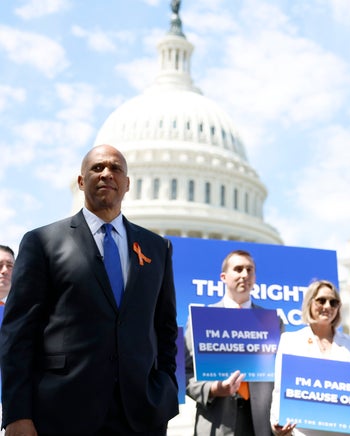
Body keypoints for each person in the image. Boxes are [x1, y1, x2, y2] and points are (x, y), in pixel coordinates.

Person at [0, 144, 179, 435]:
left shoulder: (157, 248)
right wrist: (17, 414)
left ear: (127, 183)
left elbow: (165, 328)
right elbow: (18, 335)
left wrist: (165, 387)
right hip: (62, 413)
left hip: (141, 416)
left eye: (116, 169)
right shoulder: (42, 242)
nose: (107, 173)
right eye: (97, 168)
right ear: (81, 181)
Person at [185, 249, 275, 436]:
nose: (245, 274)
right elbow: (185, 374)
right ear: (223, 277)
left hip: (261, 426)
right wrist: (213, 389)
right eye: (238, 269)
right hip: (217, 423)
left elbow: (281, 375)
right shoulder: (201, 320)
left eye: (250, 270)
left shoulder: (272, 322)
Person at [271, 280, 350, 436]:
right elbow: (280, 387)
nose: (327, 306)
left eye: (333, 302)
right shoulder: (290, 341)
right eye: (321, 300)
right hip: (302, 432)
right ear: (309, 303)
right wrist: (276, 422)